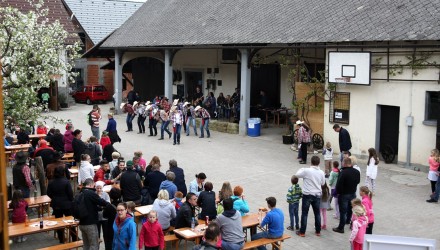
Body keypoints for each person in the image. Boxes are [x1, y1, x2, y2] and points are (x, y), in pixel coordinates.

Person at [295, 155, 325, 236]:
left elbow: (297, 175)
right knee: (317, 213)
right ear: (319, 163)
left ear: (311, 162)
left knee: (304, 213)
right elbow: (323, 183)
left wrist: (302, 168)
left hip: (307, 195)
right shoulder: (321, 172)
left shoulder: (306, 170)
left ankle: (302, 232)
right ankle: (318, 231)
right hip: (317, 195)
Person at [79, 178, 111, 250]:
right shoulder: (91, 193)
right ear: (91, 185)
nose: (94, 188)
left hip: (81, 223)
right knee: (94, 245)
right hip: (90, 223)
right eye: (94, 186)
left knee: (86, 245)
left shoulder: (80, 193)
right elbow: (103, 202)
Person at [47, 165, 75, 243]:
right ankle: (74, 237)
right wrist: (71, 201)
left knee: (58, 223)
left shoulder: (51, 182)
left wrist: (54, 197)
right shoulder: (66, 181)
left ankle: (61, 239)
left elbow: (48, 193)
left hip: (56, 204)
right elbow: (70, 194)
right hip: (66, 204)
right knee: (71, 222)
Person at [333, 157, 360, 234]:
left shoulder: (343, 172)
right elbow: (358, 181)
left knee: (343, 211)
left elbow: (338, 185)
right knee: (350, 209)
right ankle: (348, 220)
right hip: (352, 193)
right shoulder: (356, 172)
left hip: (344, 194)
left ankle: (341, 227)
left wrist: (339, 193)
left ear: (344, 163)